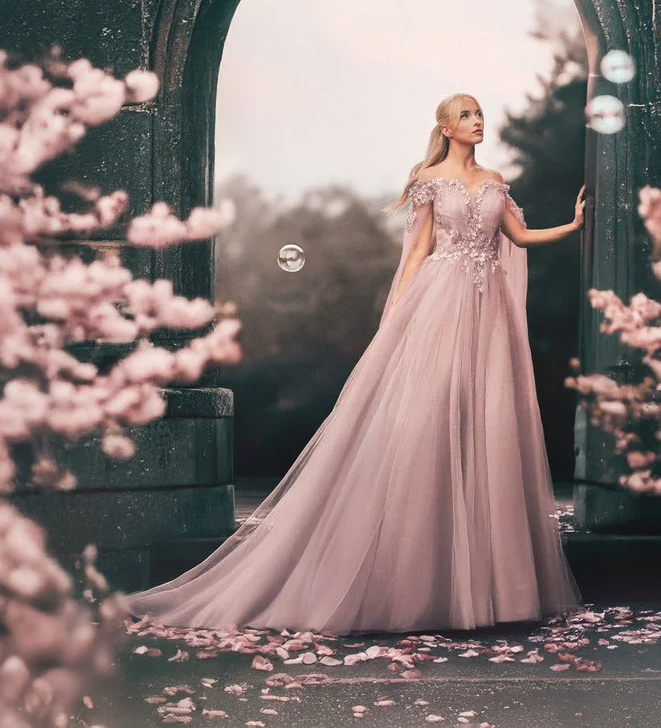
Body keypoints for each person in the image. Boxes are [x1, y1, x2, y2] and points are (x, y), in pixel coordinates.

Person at [125, 93, 586, 636]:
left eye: (480, 113)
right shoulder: (429, 181)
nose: (477, 121)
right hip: (439, 304)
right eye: (466, 114)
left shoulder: (495, 179)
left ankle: (491, 584)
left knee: (486, 421)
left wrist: (573, 225)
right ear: (445, 126)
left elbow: (520, 236)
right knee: (427, 421)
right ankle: (422, 574)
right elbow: (415, 254)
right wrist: (398, 318)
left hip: (489, 314)